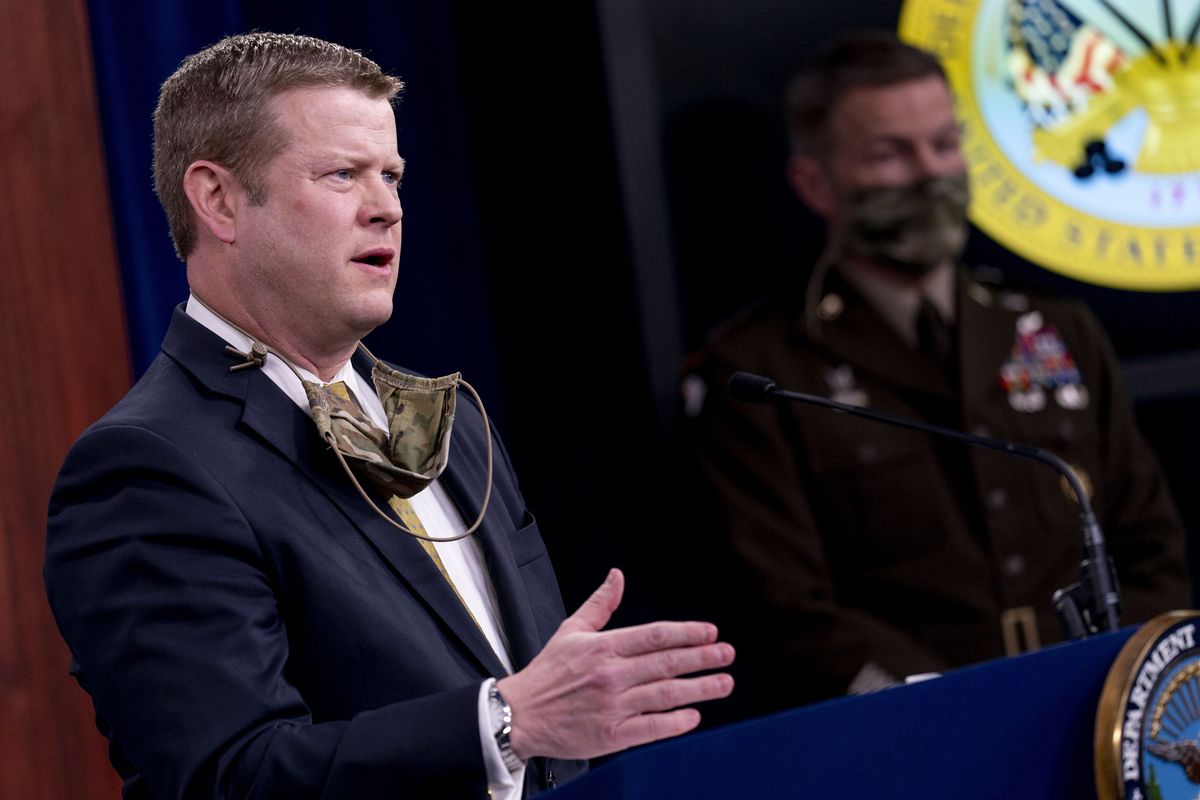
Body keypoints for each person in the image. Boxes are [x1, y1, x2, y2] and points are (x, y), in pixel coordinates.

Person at [44, 32, 733, 800]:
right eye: (342, 175)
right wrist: (502, 721)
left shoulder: (455, 426)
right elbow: (227, 776)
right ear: (218, 199)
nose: (387, 210)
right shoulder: (148, 466)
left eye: (393, 176)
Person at [687, 30, 1188, 709]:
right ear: (815, 182)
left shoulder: (1054, 329)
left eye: (945, 145)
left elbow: (1152, 546)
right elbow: (787, 609)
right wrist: (944, 707)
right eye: (892, 154)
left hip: (1098, 708)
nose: (931, 173)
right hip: (914, 728)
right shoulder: (761, 370)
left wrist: (1121, 680)